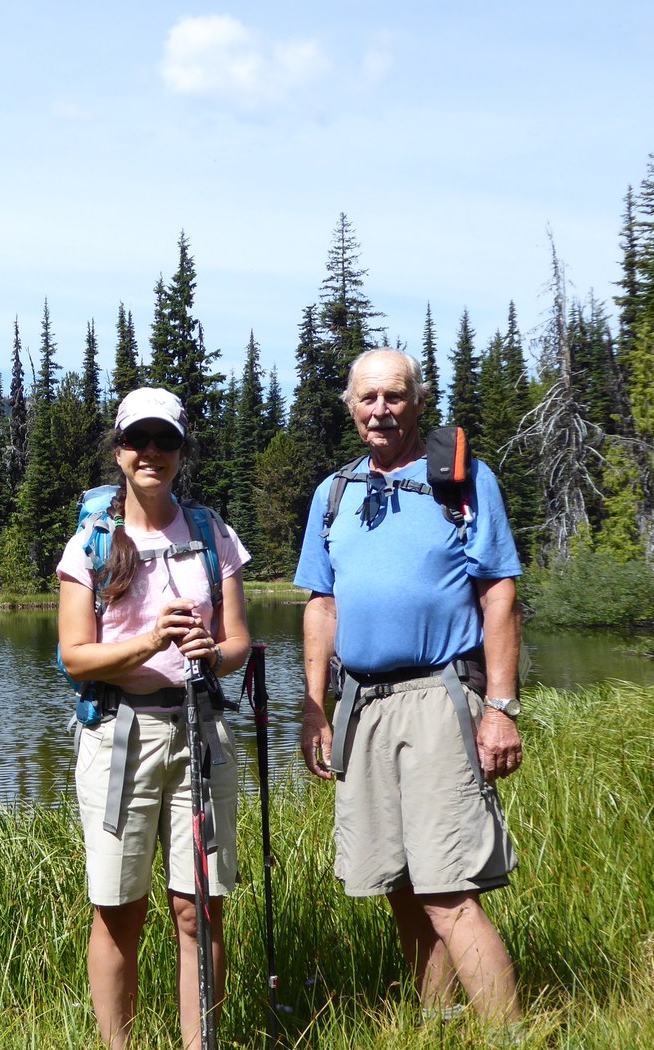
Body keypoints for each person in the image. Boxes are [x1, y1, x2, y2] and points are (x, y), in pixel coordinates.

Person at [294, 348, 524, 1033]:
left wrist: (501, 709)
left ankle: (511, 1036)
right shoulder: (334, 492)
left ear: (418, 401)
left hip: (438, 700)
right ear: (351, 408)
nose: (381, 410)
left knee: (448, 888)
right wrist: (315, 708)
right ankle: (438, 1025)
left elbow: (499, 595)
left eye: (394, 396)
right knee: (398, 885)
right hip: (361, 705)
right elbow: (321, 606)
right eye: (368, 398)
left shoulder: (462, 482)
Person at [57, 387, 252, 1049]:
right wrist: (150, 643)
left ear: (180, 452)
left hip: (202, 733)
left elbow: (238, 644)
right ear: (118, 450)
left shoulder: (210, 532)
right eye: (138, 440)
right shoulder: (89, 544)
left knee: (198, 909)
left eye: (164, 441)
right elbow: (75, 659)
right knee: (119, 911)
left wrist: (211, 652)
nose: (151, 453)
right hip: (120, 737)